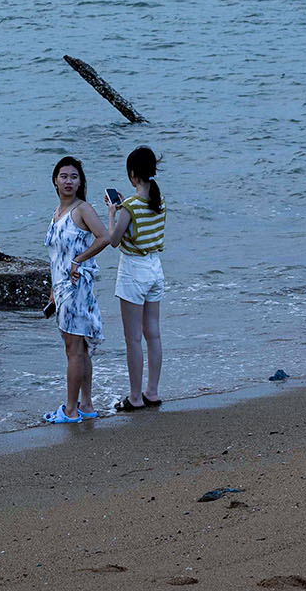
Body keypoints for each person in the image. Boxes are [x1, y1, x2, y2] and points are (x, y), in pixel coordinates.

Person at [42, 155, 114, 424]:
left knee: (74, 350)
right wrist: (52, 288)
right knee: (78, 348)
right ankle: (86, 405)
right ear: (55, 181)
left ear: (81, 181)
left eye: (74, 176)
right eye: (63, 176)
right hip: (62, 288)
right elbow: (56, 257)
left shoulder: (82, 209)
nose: (68, 181)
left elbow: (104, 237)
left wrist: (79, 260)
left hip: (76, 287)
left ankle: (70, 410)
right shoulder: (57, 212)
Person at [106, 145, 167, 412]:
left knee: (133, 338)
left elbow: (114, 240)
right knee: (152, 333)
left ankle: (134, 397)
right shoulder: (159, 199)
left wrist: (112, 212)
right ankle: (152, 392)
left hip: (133, 270)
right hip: (155, 268)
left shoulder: (129, 206)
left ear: (132, 174)